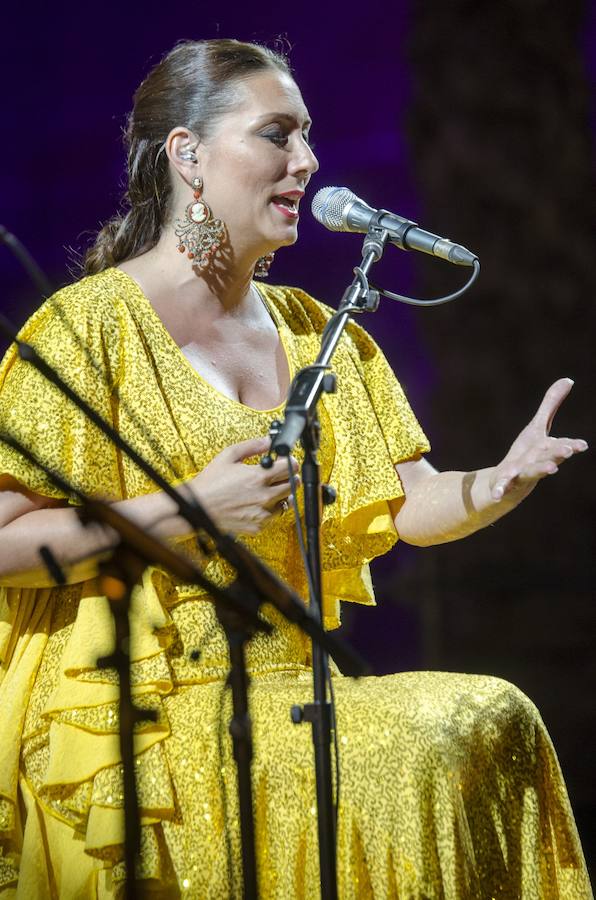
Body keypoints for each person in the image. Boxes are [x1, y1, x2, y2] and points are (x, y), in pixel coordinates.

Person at [0, 38, 591, 899]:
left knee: (496, 716)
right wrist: (190, 509)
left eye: (307, 137)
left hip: (295, 692)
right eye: (277, 135)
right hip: (153, 719)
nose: (308, 163)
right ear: (187, 155)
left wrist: (494, 484)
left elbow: (408, 500)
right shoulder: (86, 329)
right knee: (446, 729)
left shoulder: (318, 328)